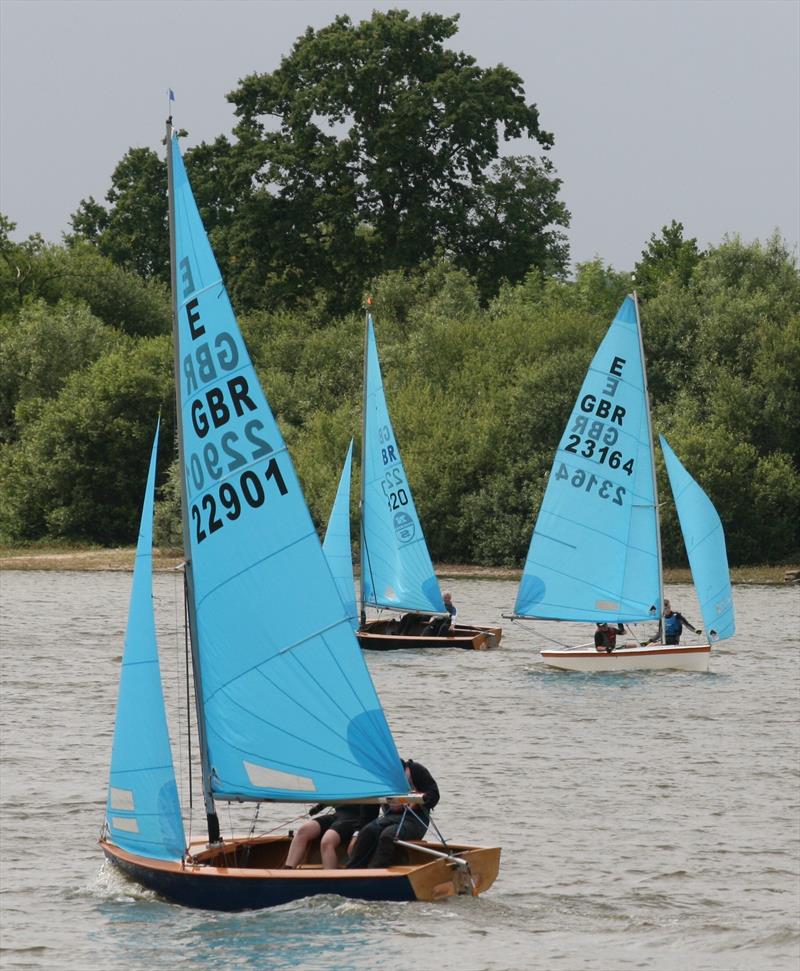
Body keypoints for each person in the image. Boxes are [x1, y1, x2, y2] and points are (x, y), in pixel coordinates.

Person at [346, 758, 439, 869]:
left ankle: (377, 871)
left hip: (415, 821)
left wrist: (419, 799)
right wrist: (357, 835)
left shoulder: (415, 770)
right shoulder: (378, 780)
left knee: (387, 835)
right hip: (390, 818)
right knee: (368, 831)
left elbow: (434, 794)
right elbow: (368, 814)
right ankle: (352, 870)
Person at [284, 802, 379, 870]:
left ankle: (330, 877)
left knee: (327, 841)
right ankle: (288, 869)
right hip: (338, 815)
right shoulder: (342, 779)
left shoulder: (363, 779)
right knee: (303, 831)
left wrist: (357, 833)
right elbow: (333, 795)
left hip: (356, 819)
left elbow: (371, 813)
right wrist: (319, 807)